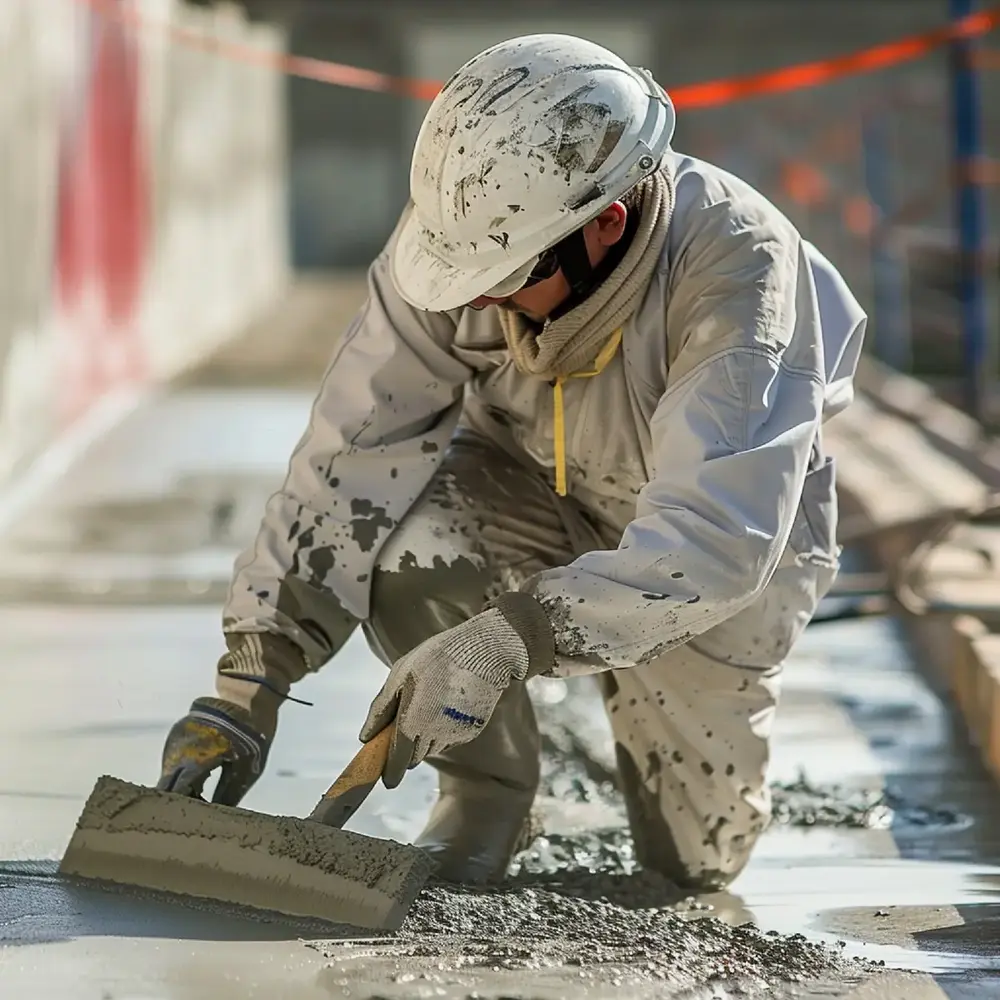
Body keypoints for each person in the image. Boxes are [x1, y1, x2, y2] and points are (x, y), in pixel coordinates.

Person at [157, 33, 866, 890]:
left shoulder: (738, 271)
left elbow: (714, 545)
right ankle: (486, 799)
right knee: (406, 547)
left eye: (503, 280)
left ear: (605, 222)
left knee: (690, 864)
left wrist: (513, 640)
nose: (478, 300)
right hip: (525, 484)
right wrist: (252, 678)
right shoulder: (468, 236)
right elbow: (352, 454)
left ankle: (663, 768)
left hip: (717, 560)